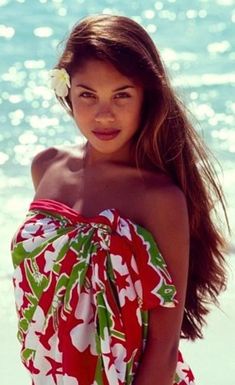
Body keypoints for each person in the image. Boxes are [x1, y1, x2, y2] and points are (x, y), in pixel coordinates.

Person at [10, 14, 228, 385]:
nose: (104, 114)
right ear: (67, 92)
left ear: (147, 97)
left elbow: (163, 346)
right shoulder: (45, 167)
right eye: (87, 95)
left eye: (121, 95)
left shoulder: (159, 199)